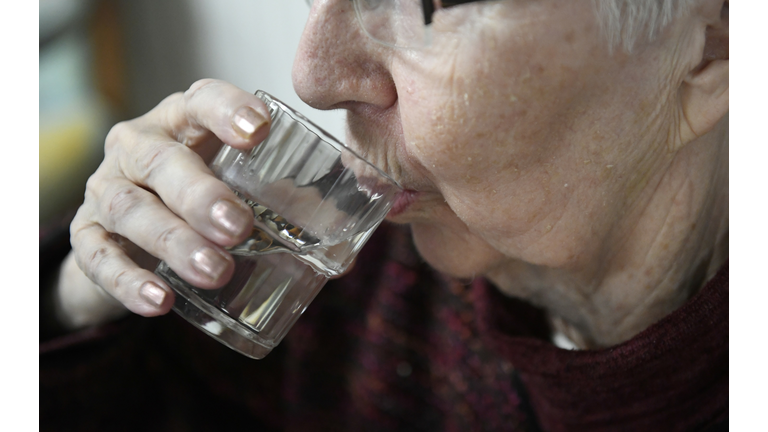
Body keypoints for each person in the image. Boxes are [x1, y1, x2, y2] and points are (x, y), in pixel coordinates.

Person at [40, 0, 728, 430]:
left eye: (425, 6)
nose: (314, 75)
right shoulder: (335, 278)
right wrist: (81, 302)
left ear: (716, 44)